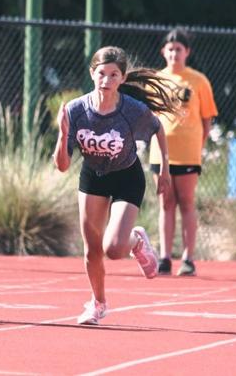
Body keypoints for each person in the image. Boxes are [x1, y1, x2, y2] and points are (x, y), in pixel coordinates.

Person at [53, 46, 179, 326]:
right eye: (101, 74)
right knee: (91, 249)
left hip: (126, 176)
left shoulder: (131, 110)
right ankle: (97, 304)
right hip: (93, 177)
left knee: (114, 248)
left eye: (113, 75)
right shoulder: (75, 110)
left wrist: (166, 170)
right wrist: (63, 136)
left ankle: (135, 240)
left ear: (122, 78)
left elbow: (158, 128)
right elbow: (62, 166)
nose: (106, 80)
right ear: (92, 74)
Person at [147, 29, 218, 276]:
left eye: (179, 48)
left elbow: (207, 119)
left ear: (187, 52)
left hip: (188, 153)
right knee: (165, 203)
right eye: (170, 48)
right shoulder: (155, 79)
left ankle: (188, 257)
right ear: (163, 52)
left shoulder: (198, 81)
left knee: (186, 202)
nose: (174, 53)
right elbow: (149, 117)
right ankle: (165, 256)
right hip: (160, 153)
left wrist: (198, 143)